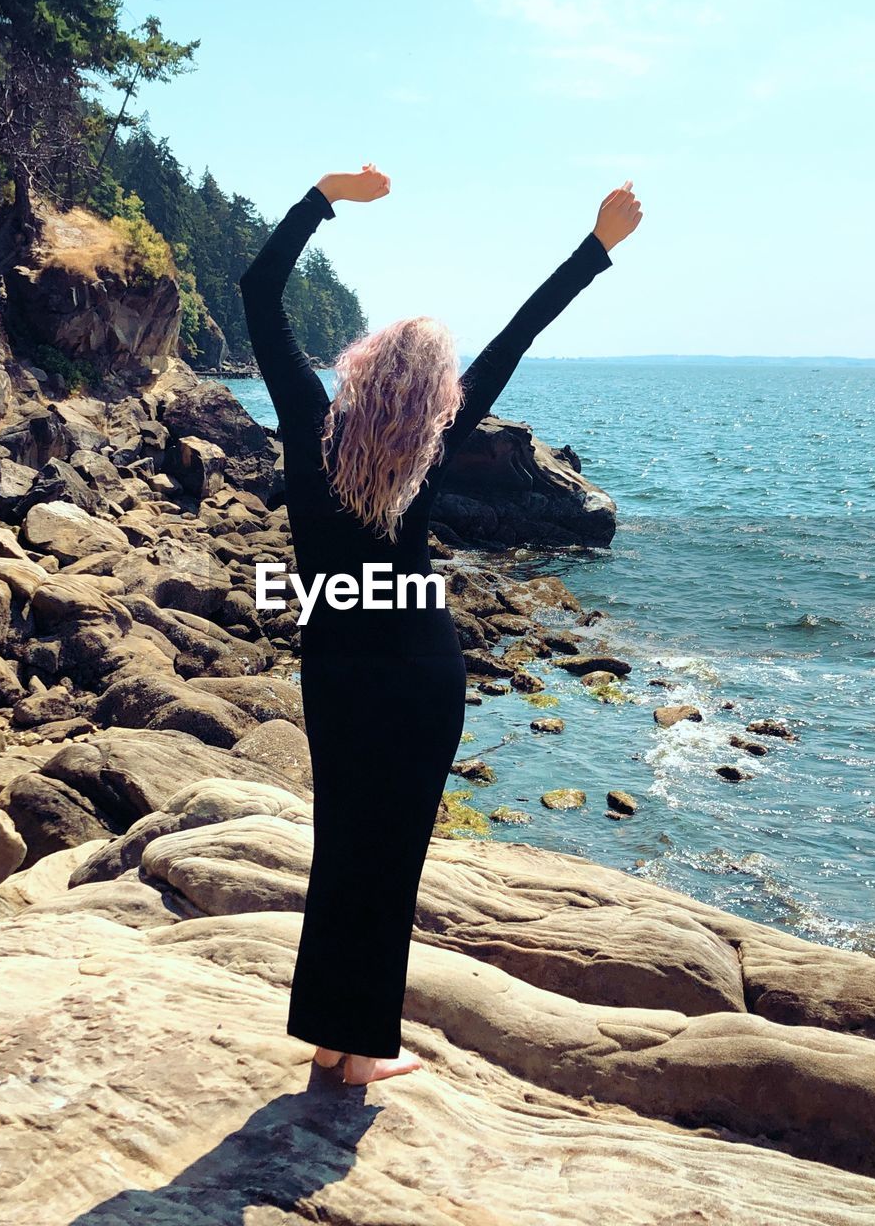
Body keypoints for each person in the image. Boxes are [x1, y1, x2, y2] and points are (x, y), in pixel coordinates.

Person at [239, 167, 643, 1085]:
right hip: (421, 667)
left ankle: (335, 1040)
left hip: (337, 659)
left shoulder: (312, 425)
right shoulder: (434, 444)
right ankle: (354, 1053)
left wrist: (324, 195)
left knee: (343, 845)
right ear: (434, 398)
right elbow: (520, 335)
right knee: (393, 860)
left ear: (364, 367)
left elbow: (260, 289)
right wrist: (597, 247)